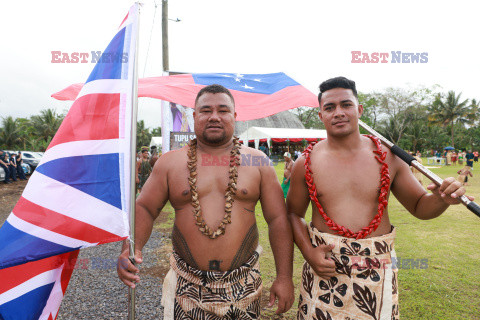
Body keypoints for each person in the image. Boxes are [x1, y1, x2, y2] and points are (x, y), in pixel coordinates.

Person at [287, 76, 471, 320]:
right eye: (329, 108)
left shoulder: (389, 157)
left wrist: (441, 199)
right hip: (325, 273)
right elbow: (292, 213)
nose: (338, 112)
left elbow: (419, 206)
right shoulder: (305, 162)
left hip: (378, 274)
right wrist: (309, 253)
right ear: (320, 115)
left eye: (346, 105)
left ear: (359, 110)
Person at [117, 84, 294, 319]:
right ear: (194, 116)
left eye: (223, 110)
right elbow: (145, 208)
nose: (214, 117)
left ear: (234, 116)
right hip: (186, 287)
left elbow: (278, 219)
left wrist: (283, 277)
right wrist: (131, 247)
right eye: (205, 110)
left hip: (244, 286)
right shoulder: (170, 163)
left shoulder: (258, 162)